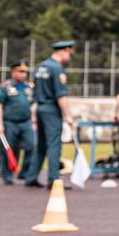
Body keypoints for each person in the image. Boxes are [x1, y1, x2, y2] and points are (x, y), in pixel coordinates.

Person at [26, 41, 74, 188]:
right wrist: (68, 115)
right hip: (52, 109)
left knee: (41, 145)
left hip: (40, 108)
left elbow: (35, 92)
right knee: (54, 144)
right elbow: (60, 95)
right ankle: (53, 179)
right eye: (69, 53)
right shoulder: (57, 68)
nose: (70, 56)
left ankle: (31, 177)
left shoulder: (40, 67)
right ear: (63, 51)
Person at [0, 62, 35, 185]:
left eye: (25, 72)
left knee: (31, 146)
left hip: (26, 122)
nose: (23, 74)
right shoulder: (5, 86)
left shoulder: (29, 87)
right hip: (10, 122)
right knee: (8, 149)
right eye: (20, 71)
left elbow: (33, 104)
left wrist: (34, 120)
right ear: (13, 72)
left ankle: (24, 172)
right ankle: (7, 175)